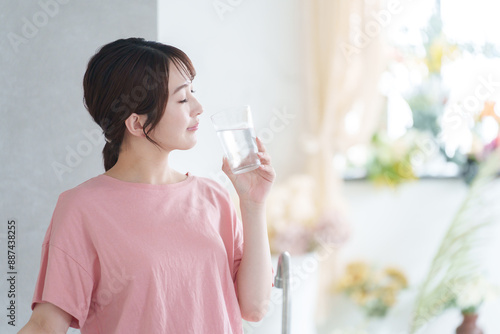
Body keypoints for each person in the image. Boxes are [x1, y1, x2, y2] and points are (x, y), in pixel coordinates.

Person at [18, 37, 275, 334]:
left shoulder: (213, 197)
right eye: (182, 98)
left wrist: (253, 204)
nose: (199, 107)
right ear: (137, 124)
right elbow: (45, 325)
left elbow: (254, 308)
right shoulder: (82, 208)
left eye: (193, 92)